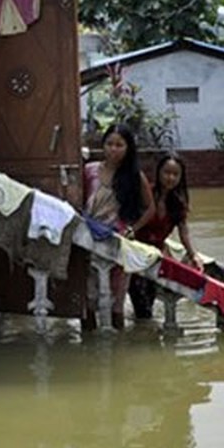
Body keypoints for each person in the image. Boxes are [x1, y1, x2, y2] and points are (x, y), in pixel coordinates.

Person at [83, 123, 154, 328]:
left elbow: (150, 209)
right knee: (88, 300)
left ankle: (118, 350)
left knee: (117, 303)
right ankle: (88, 346)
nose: (113, 149)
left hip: (118, 243)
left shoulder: (134, 176)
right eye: (110, 144)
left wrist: (133, 229)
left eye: (119, 145)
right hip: (88, 240)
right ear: (103, 146)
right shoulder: (89, 171)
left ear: (128, 148)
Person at [128, 153, 200, 319]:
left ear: (181, 178)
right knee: (140, 302)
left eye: (176, 174)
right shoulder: (146, 195)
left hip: (156, 257)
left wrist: (193, 254)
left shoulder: (177, 203)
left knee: (148, 304)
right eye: (167, 172)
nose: (170, 178)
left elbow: (184, 231)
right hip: (136, 254)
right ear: (158, 173)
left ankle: (144, 332)